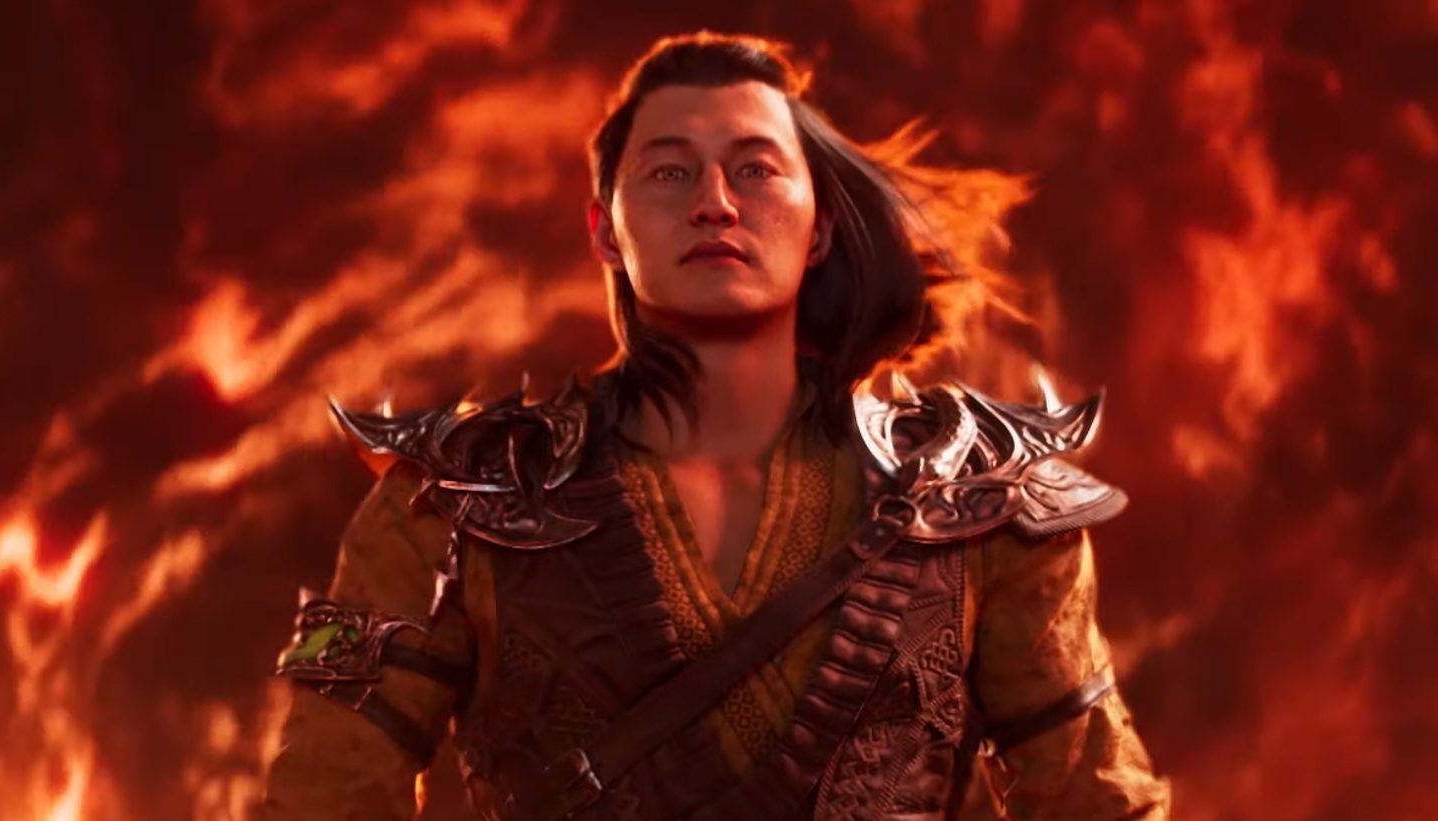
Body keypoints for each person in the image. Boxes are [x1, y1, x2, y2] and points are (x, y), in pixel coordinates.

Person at [257, 31, 1171, 821]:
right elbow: (323, 797)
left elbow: (1096, 798)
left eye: (756, 168)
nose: (715, 202)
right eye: (669, 171)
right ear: (605, 231)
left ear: (819, 227)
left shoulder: (976, 499)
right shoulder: (457, 499)